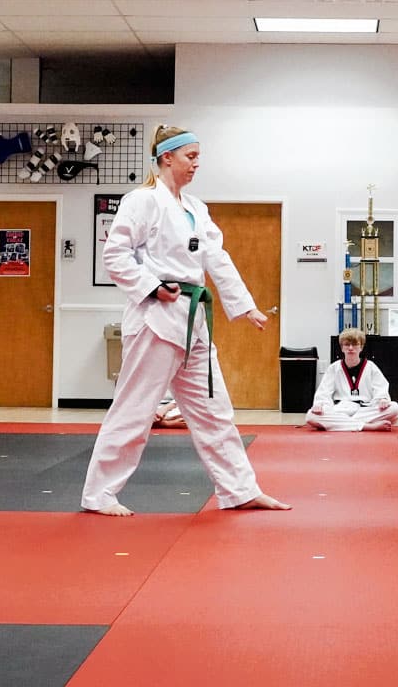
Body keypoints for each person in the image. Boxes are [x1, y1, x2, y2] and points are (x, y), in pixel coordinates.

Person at [80, 125, 290, 516]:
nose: (196, 164)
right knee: (135, 409)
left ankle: (239, 489)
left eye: (198, 157)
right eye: (190, 156)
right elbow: (115, 254)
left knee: (215, 409)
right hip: (155, 317)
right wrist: (151, 286)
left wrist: (245, 305)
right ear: (166, 158)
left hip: (193, 319)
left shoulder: (196, 208)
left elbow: (216, 258)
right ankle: (99, 494)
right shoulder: (142, 201)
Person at [306, 327, 398, 432]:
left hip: (364, 409)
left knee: (394, 409)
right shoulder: (334, 368)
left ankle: (340, 424)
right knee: (311, 416)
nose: (351, 348)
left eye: (355, 344)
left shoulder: (370, 367)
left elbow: (380, 389)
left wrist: (382, 399)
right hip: (340, 409)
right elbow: (324, 392)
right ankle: (367, 426)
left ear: (361, 347)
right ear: (342, 348)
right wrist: (319, 404)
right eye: (347, 344)